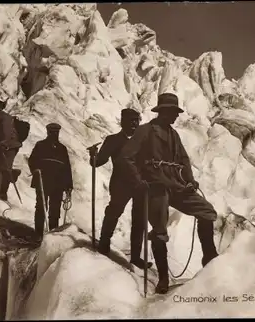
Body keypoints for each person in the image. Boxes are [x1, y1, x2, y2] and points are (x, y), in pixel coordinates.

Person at [118, 93, 219, 294]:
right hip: (155, 186)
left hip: (177, 185)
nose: (175, 116)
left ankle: (209, 257)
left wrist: (189, 180)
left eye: (176, 113)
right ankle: (163, 278)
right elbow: (125, 157)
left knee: (207, 211)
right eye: (172, 112)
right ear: (163, 112)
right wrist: (139, 182)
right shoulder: (145, 131)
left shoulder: (174, 135)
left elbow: (183, 160)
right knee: (160, 231)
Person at [88, 108, 152, 270]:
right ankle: (103, 245)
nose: (134, 124)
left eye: (137, 120)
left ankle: (136, 257)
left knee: (139, 220)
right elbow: (98, 163)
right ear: (122, 122)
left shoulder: (144, 140)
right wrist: (93, 155)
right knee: (113, 213)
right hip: (120, 184)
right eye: (131, 120)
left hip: (140, 185)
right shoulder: (112, 140)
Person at [28, 123, 73, 238]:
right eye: (52, 132)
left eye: (56, 133)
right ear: (48, 132)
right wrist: (35, 169)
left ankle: (53, 232)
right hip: (43, 181)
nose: (54, 135)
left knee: (55, 208)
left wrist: (68, 185)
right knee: (41, 207)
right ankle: (38, 233)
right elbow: (32, 160)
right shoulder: (40, 145)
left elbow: (67, 167)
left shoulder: (62, 149)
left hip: (58, 183)